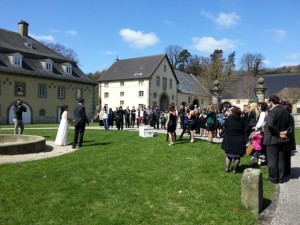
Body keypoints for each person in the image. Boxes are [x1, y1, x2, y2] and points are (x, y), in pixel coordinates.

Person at [263, 95, 291, 184]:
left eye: (269, 102)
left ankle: (273, 178)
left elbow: (270, 125)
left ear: (271, 102)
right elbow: (290, 124)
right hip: (282, 139)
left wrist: (278, 133)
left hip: (273, 138)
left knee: (272, 159)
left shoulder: (272, 112)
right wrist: (285, 132)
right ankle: (280, 178)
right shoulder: (285, 111)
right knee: (281, 159)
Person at [221, 106, 248, 173]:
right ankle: (234, 170)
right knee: (237, 156)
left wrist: (221, 134)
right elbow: (245, 130)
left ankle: (227, 168)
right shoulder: (242, 121)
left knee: (228, 155)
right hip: (239, 139)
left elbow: (225, 128)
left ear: (232, 112)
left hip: (229, 139)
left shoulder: (228, 120)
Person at [281, 100, 296, 177]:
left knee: (285, 156)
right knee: (287, 156)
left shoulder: (287, 115)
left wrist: (285, 132)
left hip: (287, 138)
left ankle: (285, 171)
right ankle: (286, 171)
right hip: (289, 138)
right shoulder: (289, 115)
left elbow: (289, 128)